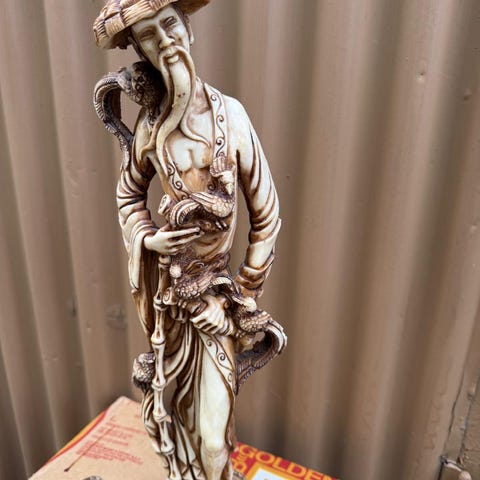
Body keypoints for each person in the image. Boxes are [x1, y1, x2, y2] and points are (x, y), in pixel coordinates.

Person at [93, 1, 285, 479]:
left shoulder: (232, 118)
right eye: (149, 36)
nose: (166, 42)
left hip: (216, 306)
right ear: (141, 52)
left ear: (187, 28)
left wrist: (241, 298)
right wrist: (147, 240)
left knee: (214, 439)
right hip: (169, 307)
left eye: (169, 25)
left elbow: (266, 215)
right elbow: (128, 195)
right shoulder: (150, 128)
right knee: (174, 419)